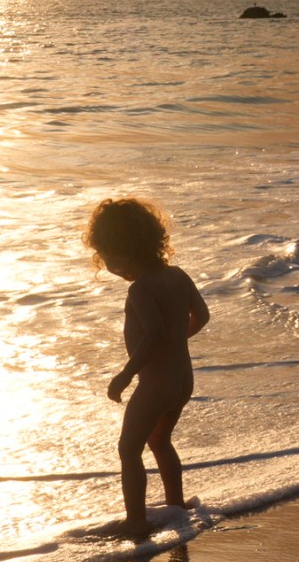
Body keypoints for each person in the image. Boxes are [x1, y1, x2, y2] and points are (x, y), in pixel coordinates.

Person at [88, 196, 212, 540]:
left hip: (155, 383)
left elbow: (154, 332)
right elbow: (202, 316)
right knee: (160, 440)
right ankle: (176, 504)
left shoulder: (140, 289)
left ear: (124, 252)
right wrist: (179, 340)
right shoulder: (177, 275)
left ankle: (136, 521)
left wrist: (126, 374)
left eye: (107, 257)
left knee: (129, 449)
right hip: (182, 380)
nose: (108, 265)